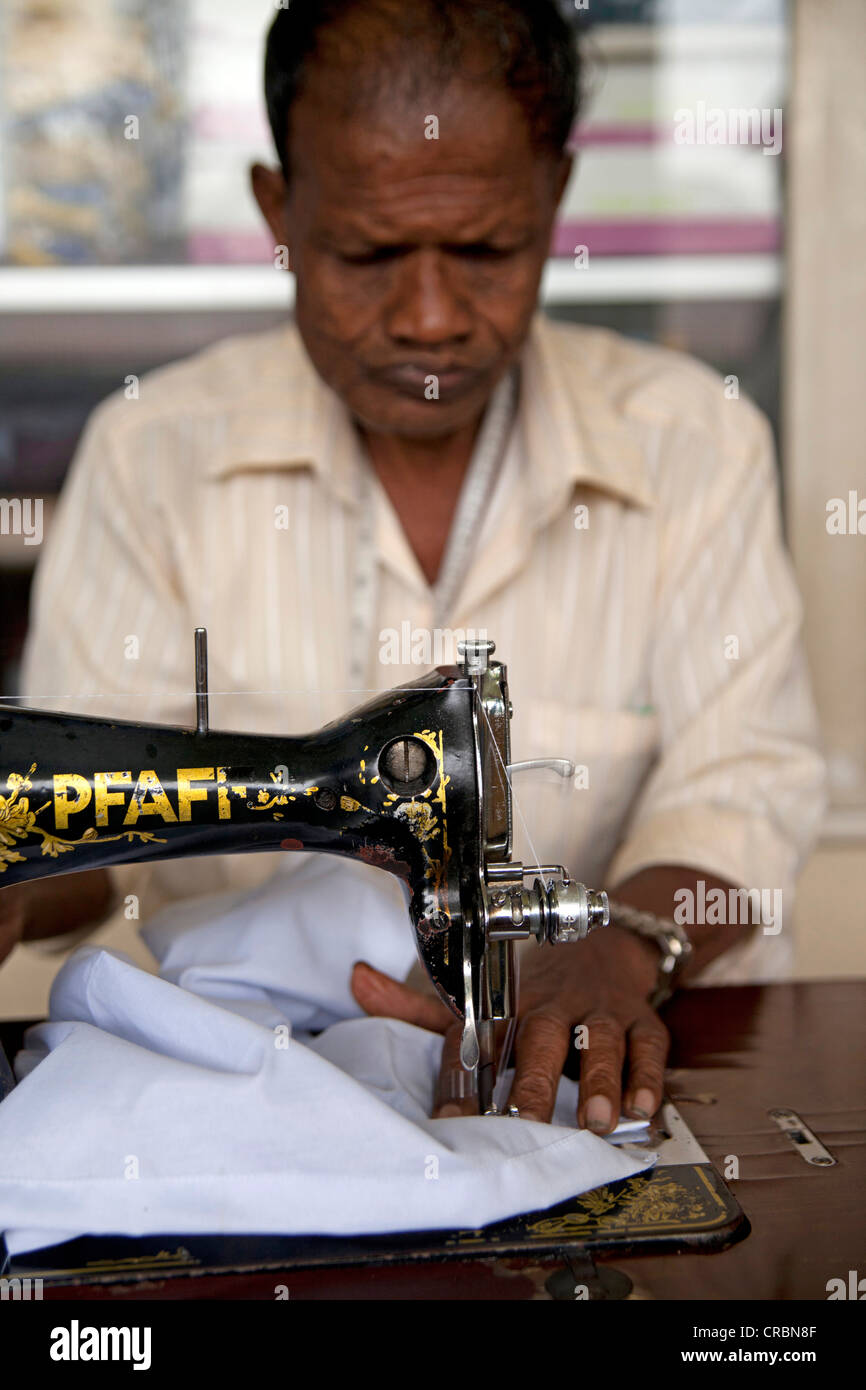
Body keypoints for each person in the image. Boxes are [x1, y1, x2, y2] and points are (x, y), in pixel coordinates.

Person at [0, 0, 825, 1132]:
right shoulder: (153, 456)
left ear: (553, 201)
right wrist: (14, 878)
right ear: (277, 209)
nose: (430, 316)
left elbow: (744, 789)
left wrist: (610, 948)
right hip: (237, 1095)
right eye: (368, 252)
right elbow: (86, 846)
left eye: (485, 249)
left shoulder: (693, 446)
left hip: (583, 1077)